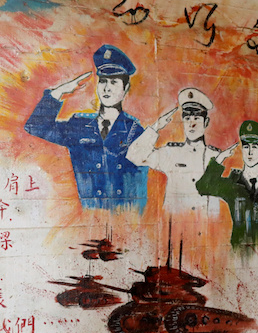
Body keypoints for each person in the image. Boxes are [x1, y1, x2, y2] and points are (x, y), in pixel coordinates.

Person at [24, 44, 148, 211]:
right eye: (103, 81)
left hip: (124, 219)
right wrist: (59, 92)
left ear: (125, 88)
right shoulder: (79, 125)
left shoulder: (135, 131)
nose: (106, 88)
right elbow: (35, 126)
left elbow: (139, 187)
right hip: (87, 217)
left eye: (113, 82)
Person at [195, 120, 258, 260]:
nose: (250, 152)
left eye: (254, 147)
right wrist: (220, 159)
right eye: (246, 147)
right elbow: (202, 187)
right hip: (238, 259)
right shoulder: (233, 184)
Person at [126, 87, 221, 216]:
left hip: (205, 226)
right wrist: (156, 127)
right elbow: (134, 156)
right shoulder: (171, 153)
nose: (191, 124)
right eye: (187, 119)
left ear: (206, 122)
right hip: (176, 225)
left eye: (197, 119)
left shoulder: (216, 156)